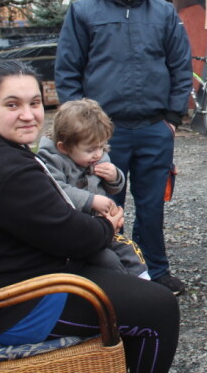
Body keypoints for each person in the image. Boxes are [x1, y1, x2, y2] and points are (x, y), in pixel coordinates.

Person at [0, 60, 180, 372]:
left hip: (13, 282)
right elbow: (76, 238)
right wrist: (107, 225)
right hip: (12, 307)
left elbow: (53, 221)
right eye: (12, 104)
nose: (27, 114)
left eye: (34, 103)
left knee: (132, 291)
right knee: (160, 307)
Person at [56, 0, 192, 295]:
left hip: (153, 129)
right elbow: (68, 70)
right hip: (104, 135)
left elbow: (181, 67)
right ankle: (109, 274)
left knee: (151, 207)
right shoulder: (84, 11)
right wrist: (80, 130)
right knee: (103, 205)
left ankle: (156, 272)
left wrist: (172, 118)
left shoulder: (163, 13)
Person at [37, 98, 150, 280]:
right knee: (109, 260)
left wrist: (114, 177)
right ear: (64, 147)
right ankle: (124, 292)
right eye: (91, 150)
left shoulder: (96, 154)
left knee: (131, 251)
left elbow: (113, 189)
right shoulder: (51, 159)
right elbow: (56, 190)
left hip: (101, 227)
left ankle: (146, 285)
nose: (98, 154)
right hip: (74, 232)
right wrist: (91, 201)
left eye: (102, 146)